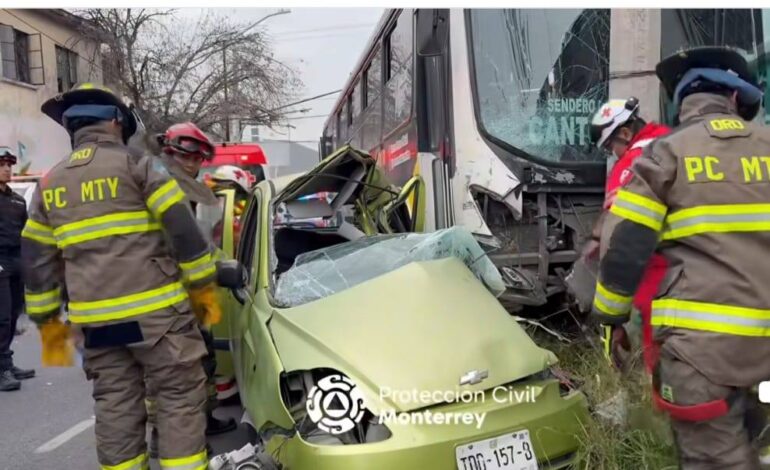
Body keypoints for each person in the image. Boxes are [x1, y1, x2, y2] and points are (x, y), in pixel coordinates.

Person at [23, 82, 219, 469]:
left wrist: (48, 324)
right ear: (116, 122)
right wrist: (203, 291)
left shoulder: (50, 184)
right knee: (178, 396)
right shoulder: (139, 166)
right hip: (157, 318)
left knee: (114, 402)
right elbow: (183, 231)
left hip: (97, 325)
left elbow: (36, 259)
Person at [591, 47, 770, 469]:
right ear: (734, 98)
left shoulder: (662, 157)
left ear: (682, 101)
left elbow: (623, 249)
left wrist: (611, 319)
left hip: (700, 361)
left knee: (716, 459)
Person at [150, 123, 237, 444]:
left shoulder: (186, 190)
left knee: (204, 358)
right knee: (174, 370)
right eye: (187, 157)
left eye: (198, 159)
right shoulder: (165, 188)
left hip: (193, 292)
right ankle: (164, 435)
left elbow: (201, 241)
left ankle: (204, 418)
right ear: (171, 153)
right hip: (172, 294)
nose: (193, 164)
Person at [588, 97, 670, 371]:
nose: (614, 154)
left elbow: (618, 239)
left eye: (612, 147)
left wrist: (612, 318)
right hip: (702, 274)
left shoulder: (631, 165)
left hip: (655, 277)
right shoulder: (675, 141)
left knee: (657, 362)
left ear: (624, 132)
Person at [0, 148, 35, 391]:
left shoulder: (17, 200)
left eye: (9, 165)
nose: (6, 169)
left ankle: (6, 361)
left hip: (16, 261)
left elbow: (26, 233)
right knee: (1, 317)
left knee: (13, 315)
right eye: (2, 164)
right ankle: (2, 369)